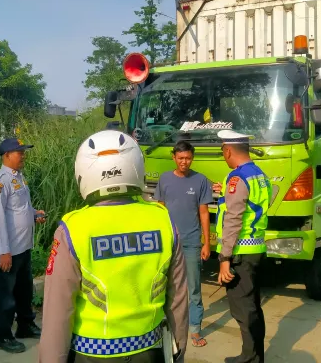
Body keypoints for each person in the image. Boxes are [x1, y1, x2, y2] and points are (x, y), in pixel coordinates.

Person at [39, 130, 189, 362]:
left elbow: (57, 313)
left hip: (92, 354)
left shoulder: (73, 228)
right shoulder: (163, 220)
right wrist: (178, 352)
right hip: (149, 351)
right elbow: (178, 299)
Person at [215, 129, 271, 363]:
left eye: (223, 152)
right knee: (253, 306)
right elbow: (254, 205)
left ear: (228, 151)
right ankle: (254, 355)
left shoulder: (237, 178)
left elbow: (234, 218)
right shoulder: (259, 174)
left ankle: (250, 359)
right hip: (256, 248)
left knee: (243, 310)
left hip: (240, 252)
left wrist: (225, 258)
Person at [0, 138, 46, 353]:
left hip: (22, 247)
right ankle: (2, 336)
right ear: (6, 155)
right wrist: (4, 251)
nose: (23, 155)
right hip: (8, 251)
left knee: (24, 291)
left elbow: (20, 208)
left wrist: (34, 214)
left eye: (23, 151)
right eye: (19, 152)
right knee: (6, 296)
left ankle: (25, 325)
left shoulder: (18, 178)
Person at [154, 140, 213, 347]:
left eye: (188, 158)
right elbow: (159, 210)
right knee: (164, 286)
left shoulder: (201, 180)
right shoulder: (165, 179)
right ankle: (164, 327)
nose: (184, 162)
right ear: (174, 157)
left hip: (191, 242)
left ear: (192, 158)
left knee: (193, 289)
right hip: (168, 241)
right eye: (180, 158)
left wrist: (206, 243)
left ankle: (195, 329)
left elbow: (204, 213)